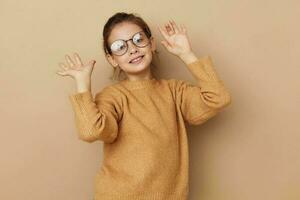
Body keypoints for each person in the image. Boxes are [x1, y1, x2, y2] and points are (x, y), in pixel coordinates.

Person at [56, 12, 231, 200]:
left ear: (152, 43)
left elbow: (218, 98)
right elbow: (91, 131)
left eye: (138, 39)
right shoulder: (113, 96)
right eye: (120, 46)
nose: (132, 49)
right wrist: (83, 85)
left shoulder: (174, 91)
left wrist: (187, 54)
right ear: (112, 59)